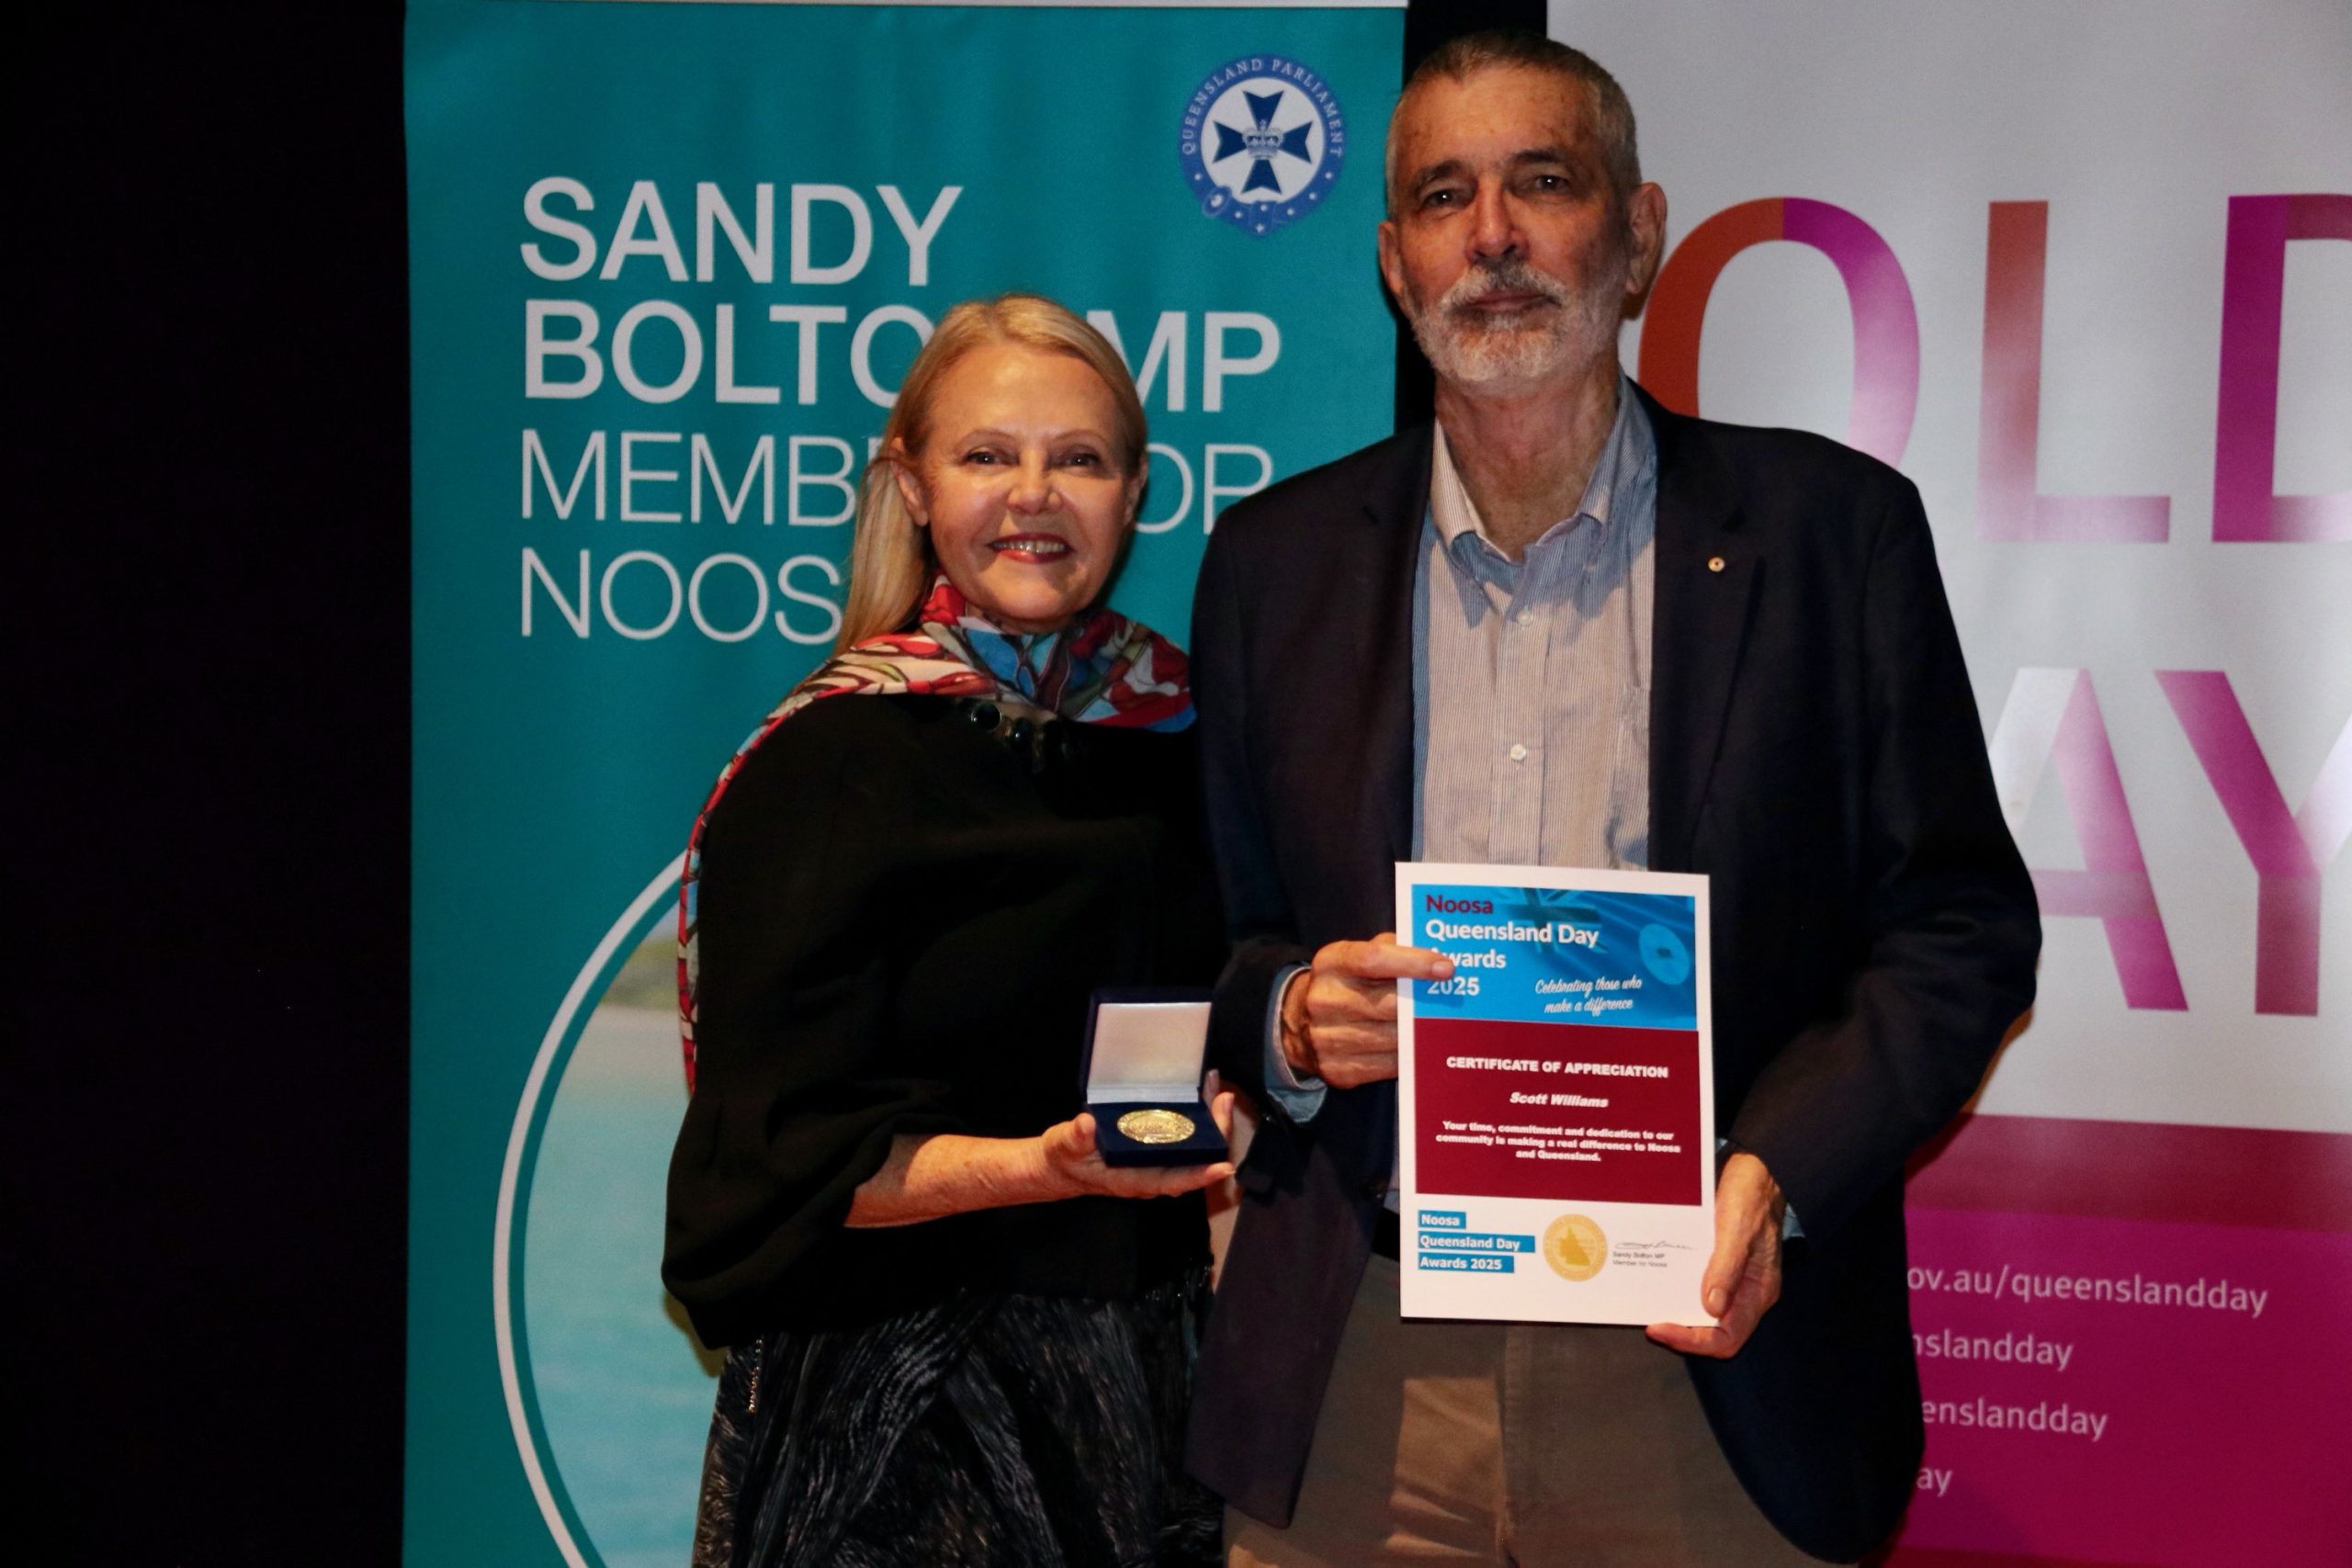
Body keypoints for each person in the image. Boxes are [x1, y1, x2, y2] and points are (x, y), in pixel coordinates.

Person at [1183, 31, 2040, 1568]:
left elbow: (1961, 929)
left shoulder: (1832, 535)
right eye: (1444, 197)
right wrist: (1295, 1018)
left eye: (1543, 182)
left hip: (1710, 1370)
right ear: (1393, 259)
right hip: (1360, 1382)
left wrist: (1779, 1175)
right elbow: (1215, 937)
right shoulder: (1272, 565)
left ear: (1637, 236)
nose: (1492, 237)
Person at [664, 293, 1236, 1568]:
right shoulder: (828, 765)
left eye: (1079, 458)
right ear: (915, 485)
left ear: (1135, 492)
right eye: (988, 455)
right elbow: (775, 1176)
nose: (1035, 495)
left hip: (1153, 1400)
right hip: (896, 1425)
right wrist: (1042, 1168)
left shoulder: (1193, 742)